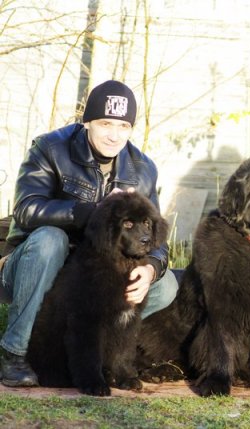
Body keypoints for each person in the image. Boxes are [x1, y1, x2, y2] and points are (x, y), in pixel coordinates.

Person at [0, 80, 178, 387]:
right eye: (105, 123)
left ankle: (108, 357)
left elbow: (156, 234)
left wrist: (151, 269)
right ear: (87, 122)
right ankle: (14, 354)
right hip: (37, 263)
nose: (113, 134)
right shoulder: (50, 148)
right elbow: (26, 209)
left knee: (166, 286)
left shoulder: (143, 168)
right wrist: (89, 211)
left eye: (123, 126)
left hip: (93, 272)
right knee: (49, 241)